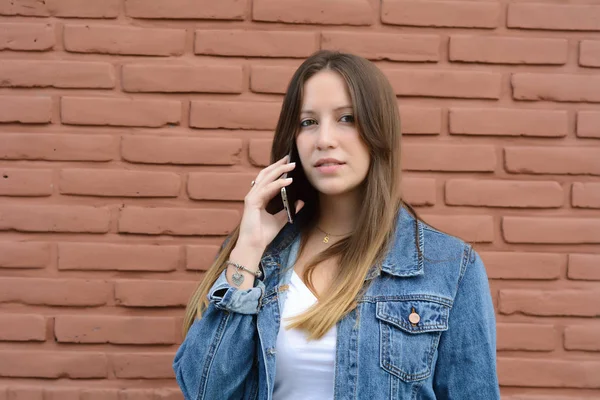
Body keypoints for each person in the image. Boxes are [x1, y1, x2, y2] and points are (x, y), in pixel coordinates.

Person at [173, 50, 500, 400]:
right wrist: (249, 250)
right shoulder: (256, 257)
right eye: (308, 122)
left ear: (379, 131)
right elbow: (204, 390)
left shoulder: (449, 268)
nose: (324, 139)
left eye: (346, 118)